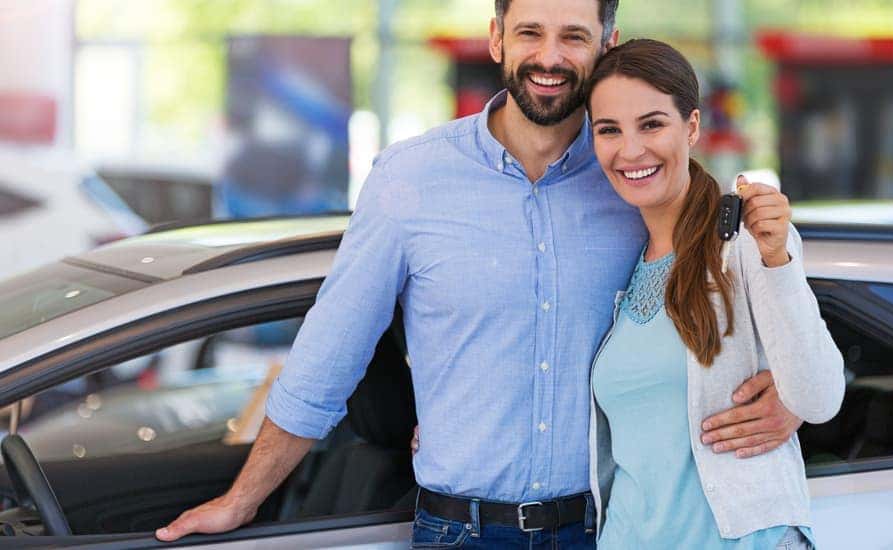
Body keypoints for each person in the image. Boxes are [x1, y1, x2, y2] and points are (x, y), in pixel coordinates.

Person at [157, 2, 807, 547]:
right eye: (530, 32)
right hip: (457, 530)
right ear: (497, 37)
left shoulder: (639, 182)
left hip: (606, 526)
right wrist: (242, 501)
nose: (549, 56)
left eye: (573, 37)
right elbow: (326, 360)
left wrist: (794, 396)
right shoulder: (409, 181)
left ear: (607, 47)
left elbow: (750, 301)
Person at [585, 39, 845, 549]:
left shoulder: (747, 240)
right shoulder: (623, 261)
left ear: (693, 127)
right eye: (608, 130)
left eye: (652, 124)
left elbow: (818, 397)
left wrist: (777, 259)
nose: (630, 149)